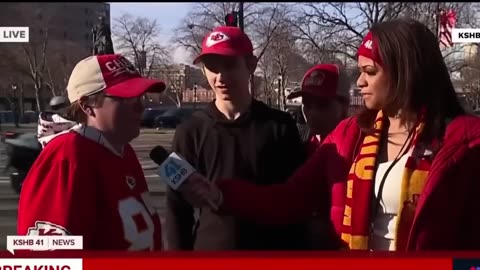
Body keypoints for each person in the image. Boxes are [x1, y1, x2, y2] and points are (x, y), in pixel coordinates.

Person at [181, 19, 480, 250]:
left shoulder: (466, 142)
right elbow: (289, 199)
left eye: (370, 72)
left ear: (405, 74)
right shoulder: (349, 134)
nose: (360, 82)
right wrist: (223, 195)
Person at [164, 26, 309, 251]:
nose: (220, 77)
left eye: (230, 65)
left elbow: (297, 202)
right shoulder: (189, 131)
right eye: (212, 66)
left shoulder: (280, 126)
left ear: (250, 66)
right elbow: (176, 209)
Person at [17, 54, 166, 250]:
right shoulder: (67, 155)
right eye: (126, 98)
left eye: (140, 97)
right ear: (87, 105)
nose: (140, 106)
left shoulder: (122, 149)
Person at [286, 64, 351, 156]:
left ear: (345, 105)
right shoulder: (295, 144)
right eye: (307, 103)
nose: (312, 112)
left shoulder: (359, 149)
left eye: (322, 104)